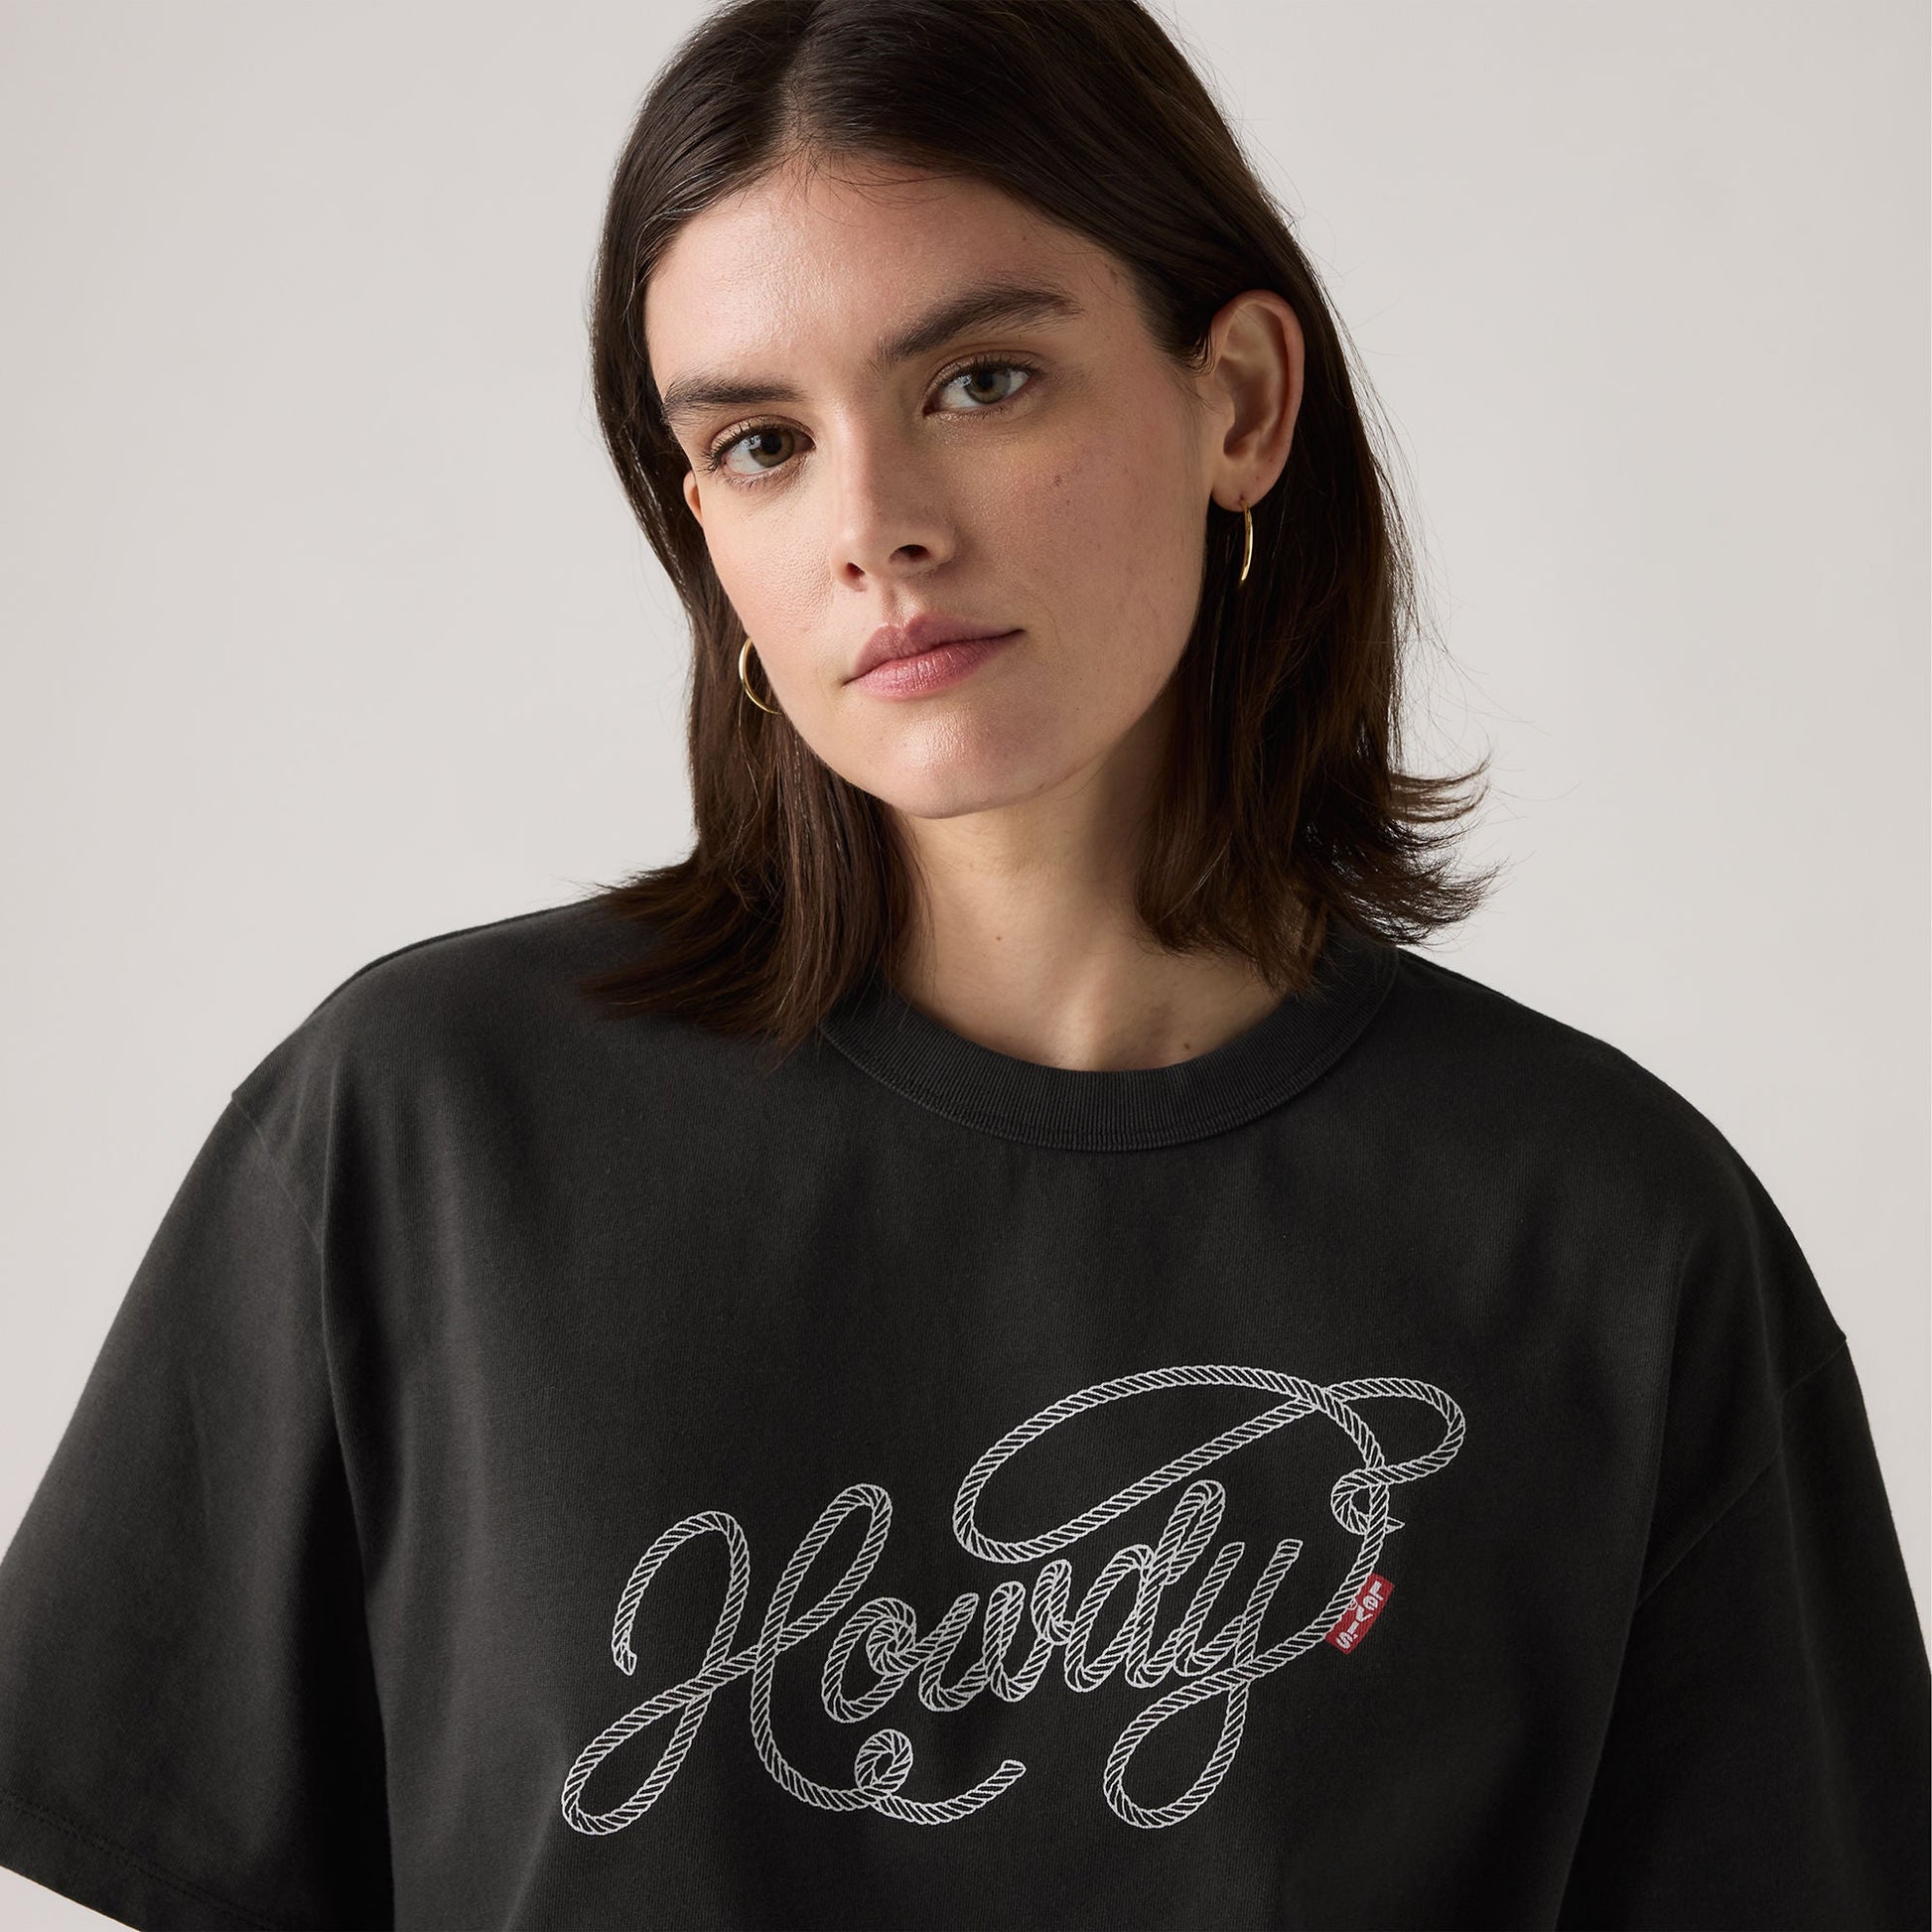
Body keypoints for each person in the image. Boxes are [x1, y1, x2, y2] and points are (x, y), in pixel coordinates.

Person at [0, 0, 1925, 1925]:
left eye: (981, 382)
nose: (875, 529)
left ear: (1241, 402)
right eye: (762, 442)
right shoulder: (421, 1137)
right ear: (702, 527)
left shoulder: (1608, 1239)